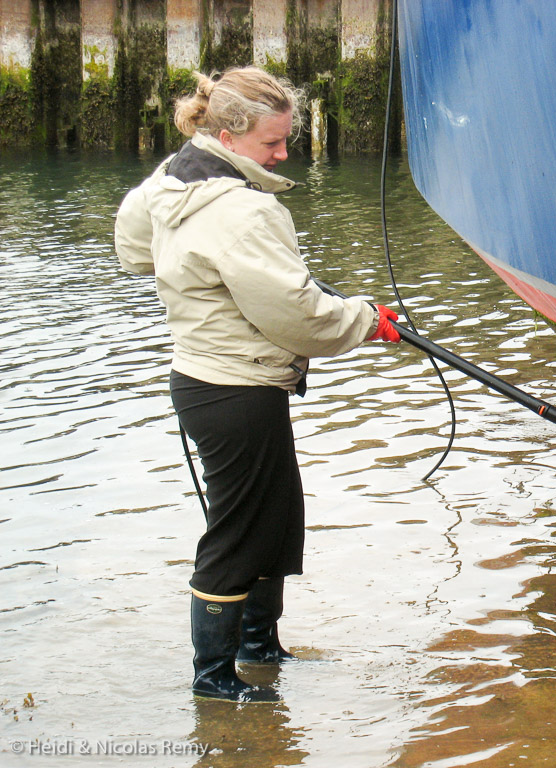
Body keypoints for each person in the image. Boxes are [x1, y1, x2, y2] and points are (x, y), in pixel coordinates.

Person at [114, 66, 401, 703]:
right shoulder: (245, 211)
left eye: (285, 139)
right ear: (228, 135)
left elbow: (133, 249)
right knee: (239, 532)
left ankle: (259, 647)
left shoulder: (172, 177)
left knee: (276, 518)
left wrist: (197, 266)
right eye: (272, 142)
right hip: (232, 389)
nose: (283, 153)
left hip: (215, 383)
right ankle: (214, 680)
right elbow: (298, 317)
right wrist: (365, 320)